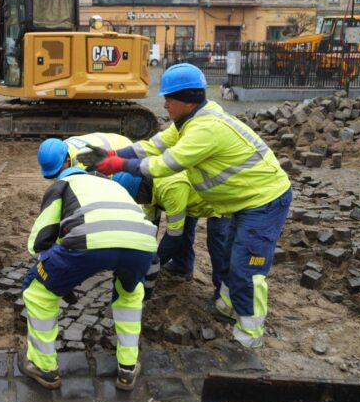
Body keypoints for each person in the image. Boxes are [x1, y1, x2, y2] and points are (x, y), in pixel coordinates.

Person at [93, 63, 292, 349]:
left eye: (169, 99)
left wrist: (120, 165)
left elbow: (166, 163)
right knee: (229, 253)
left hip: (265, 201)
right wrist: (114, 153)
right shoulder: (189, 122)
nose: (165, 105)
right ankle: (226, 305)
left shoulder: (205, 129)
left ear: (187, 100)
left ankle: (249, 336)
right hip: (243, 202)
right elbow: (152, 146)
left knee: (246, 266)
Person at [21, 140, 158, 390]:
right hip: (143, 243)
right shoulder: (111, 184)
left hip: (90, 242)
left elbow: (41, 239)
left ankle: (43, 367)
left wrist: (55, 274)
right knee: (129, 294)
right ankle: (127, 369)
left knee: (37, 292)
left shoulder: (62, 186)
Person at [113, 171, 231, 300]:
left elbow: (174, 236)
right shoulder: (149, 190)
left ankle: (224, 297)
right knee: (183, 224)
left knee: (218, 244)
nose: (138, 202)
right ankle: (182, 266)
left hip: (222, 198)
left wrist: (154, 263)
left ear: (140, 192)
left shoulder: (170, 187)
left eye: (136, 200)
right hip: (189, 197)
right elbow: (150, 225)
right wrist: (145, 254)